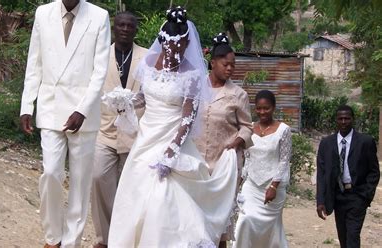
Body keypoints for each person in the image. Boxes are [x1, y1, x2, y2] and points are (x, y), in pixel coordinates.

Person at [108, 7, 238, 247]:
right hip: (146, 138)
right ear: (163, 42)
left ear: (187, 43)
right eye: (170, 47)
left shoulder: (191, 74)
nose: (174, 52)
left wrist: (171, 152)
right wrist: (125, 101)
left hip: (171, 139)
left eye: (180, 47)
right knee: (135, 197)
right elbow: (144, 98)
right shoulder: (148, 63)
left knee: (162, 197)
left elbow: (188, 119)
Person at [19, 0, 110, 247]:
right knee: (51, 173)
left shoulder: (100, 16)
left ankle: (71, 242)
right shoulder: (43, 13)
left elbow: (100, 71)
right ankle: (52, 237)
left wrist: (82, 109)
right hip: (50, 106)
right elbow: (34, 63)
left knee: (80, 183)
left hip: (84, 112)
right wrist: (27, 104)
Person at [90, 11, 147, 248]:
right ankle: (104, 239)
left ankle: (126, 240)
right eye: (121, 25)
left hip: (135, 132)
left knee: (130, 189)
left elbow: (150, 92)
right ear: (114, 28)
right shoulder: (101, 54)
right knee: (98, 177)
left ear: (135, 30)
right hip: (104, 129)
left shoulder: (146, 57)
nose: (125, 28)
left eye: (130, 25)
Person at [193, 33, 253, 247]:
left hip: (224, 165)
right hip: (196, 163)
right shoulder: (196, 88)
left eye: (233, 65)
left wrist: (237, 142)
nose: (230, 69)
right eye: (225, 64)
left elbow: (247, 127)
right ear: (213, 63)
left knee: (219, 222)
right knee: (196, 218)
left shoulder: (238, 94)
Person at [233, 90, 291, 248]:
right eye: (259, 108)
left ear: (273, 108)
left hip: (273, 187)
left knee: (269, 228)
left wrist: (274, 186)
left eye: (266, 108)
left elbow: (284, 160)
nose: (262, 112)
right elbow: (247, 157)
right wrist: (239, 182)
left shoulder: (283, 130)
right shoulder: (249, 128)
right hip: (251, 185)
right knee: (245, 220)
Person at [316, 105, 379, 248]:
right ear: (336, 120)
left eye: (347, 118)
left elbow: (374, 171)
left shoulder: (365, 142)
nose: (344, 122)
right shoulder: (327, 143)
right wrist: (320, 200)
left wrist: (366, 195)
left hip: (357, 196)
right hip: (337, 197)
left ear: (352, 120)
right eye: (340, 119)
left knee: (353, 236)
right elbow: (322, 173)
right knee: (343, 237)